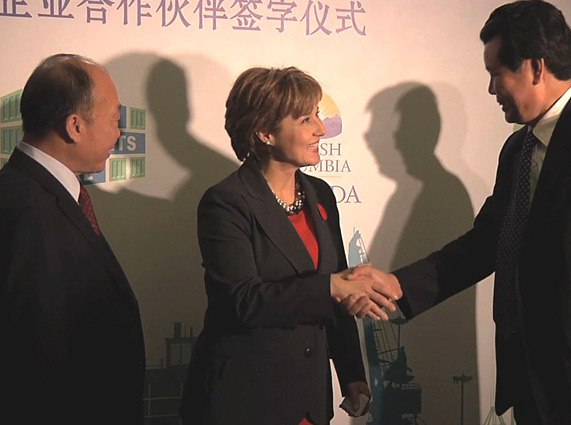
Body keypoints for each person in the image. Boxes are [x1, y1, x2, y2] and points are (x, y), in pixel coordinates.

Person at [346, 1, 571, 424]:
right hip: (530, 381)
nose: (490, 90)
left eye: (496, 74)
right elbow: (488, 244)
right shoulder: (517, 149)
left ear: (535, 68)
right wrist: (396, 283)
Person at [180, 66, 400, 425]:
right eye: (305, 119)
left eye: (317, 115)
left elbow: (339, 287)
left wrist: (352, 374)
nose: (320, 128)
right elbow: (243, 301)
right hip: (245, 399)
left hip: (309, 398)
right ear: (265, 132)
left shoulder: (321, 194)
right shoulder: (226, 202)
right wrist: (330, 286)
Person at [0, 54, 145, 425]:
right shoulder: (24, 209)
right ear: (75, 126)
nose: (120, 133)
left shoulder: (41, 192)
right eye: (115, 119)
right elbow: (32, 355)